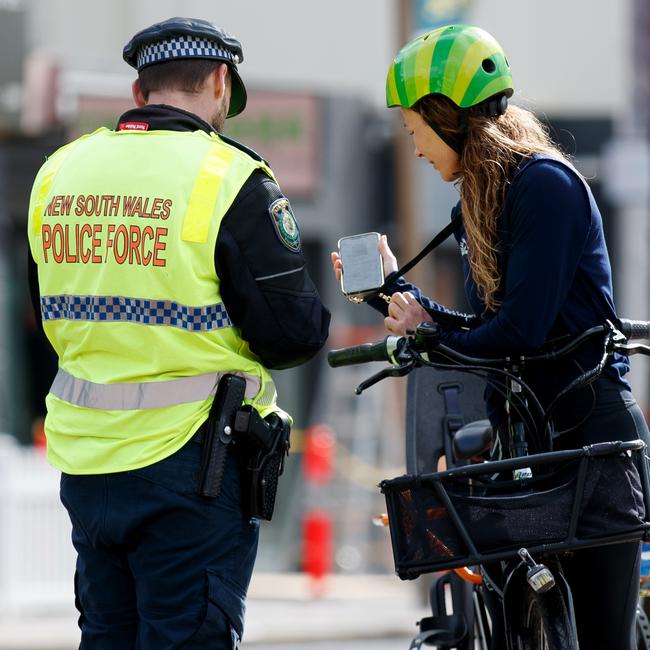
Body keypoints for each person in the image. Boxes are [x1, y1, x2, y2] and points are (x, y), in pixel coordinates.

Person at [332, 24, 648, 650]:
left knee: (605, 636)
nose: (415, 146)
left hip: (592, 438)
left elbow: (522, 331)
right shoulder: (482, 200)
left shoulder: (545, 186)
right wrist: (397, 298)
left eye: (414, 126)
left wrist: (432, 338)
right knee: (507, 620)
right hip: (527, 438)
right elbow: (487, 331)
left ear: (445, 116)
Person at [27, 16, 330, 649]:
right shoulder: (231, 178)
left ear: (140, 92)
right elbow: (292, 335)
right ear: (221, 83)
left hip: (86, 464)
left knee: (107, 636)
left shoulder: (60, 171)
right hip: (193, 464)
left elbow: (48, 310)